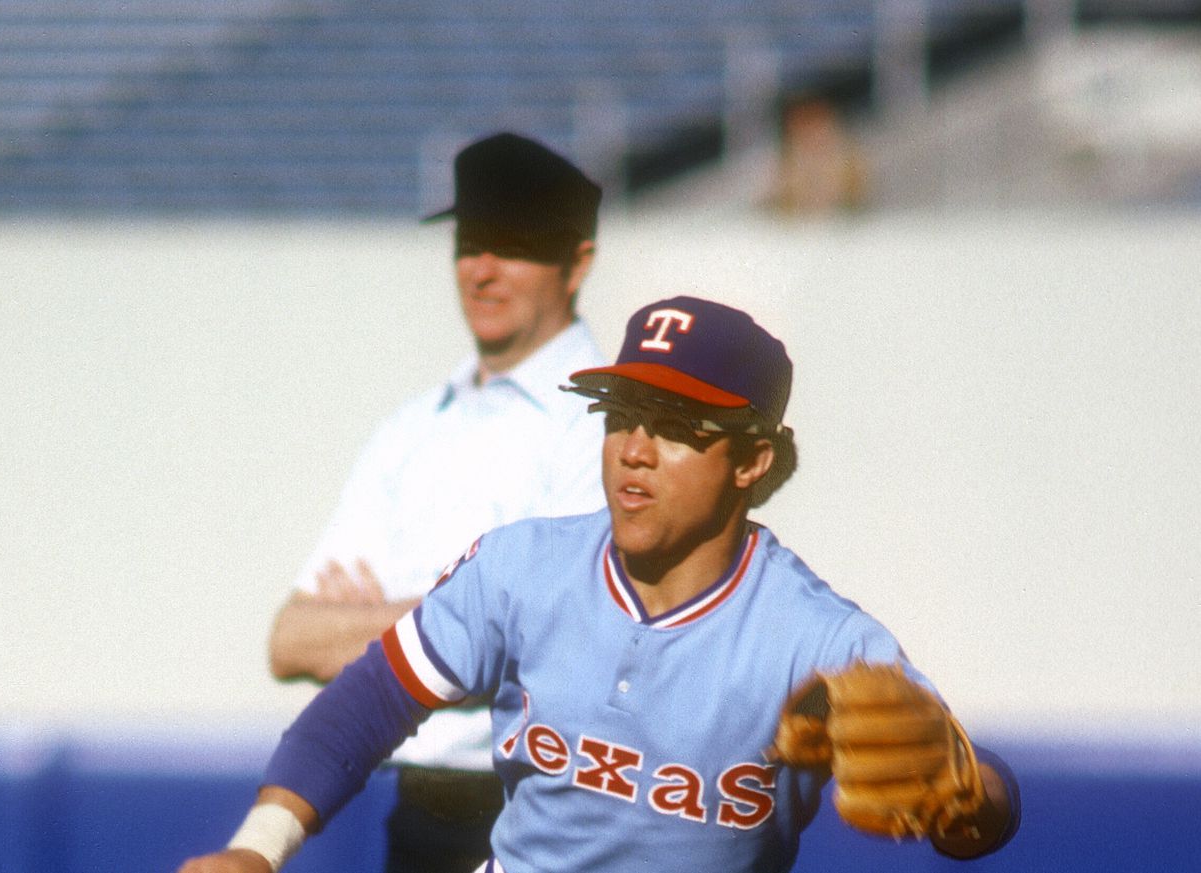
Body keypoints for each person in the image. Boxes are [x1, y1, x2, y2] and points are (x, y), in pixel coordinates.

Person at [184, 296, 1021, 873]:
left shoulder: (819, 639)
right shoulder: (524, 568)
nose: (634, 450)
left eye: (677, 429)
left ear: (752, 461)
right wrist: (260, 843)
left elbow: (984, 809)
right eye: (621, 415)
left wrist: (966, 790)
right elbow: (369, 702)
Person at [266, 132, 607, 873]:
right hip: (421, 813)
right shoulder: (415, 428)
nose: (481, 269)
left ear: (577, 262)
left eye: (512, 245)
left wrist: (370, 632)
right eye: (468, 243)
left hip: (553, 811)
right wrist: (470, 629)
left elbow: (571, 638)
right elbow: (291, 637)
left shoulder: (606, 425)